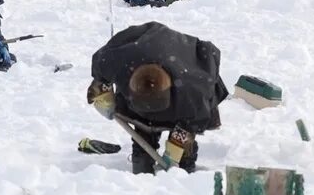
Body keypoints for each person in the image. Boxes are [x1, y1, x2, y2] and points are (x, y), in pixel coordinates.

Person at [88, 21, 228, 175]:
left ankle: (186, 168)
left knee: (184, 151)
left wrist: (175, 151)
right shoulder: (115, 61)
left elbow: (192, 123)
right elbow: (99, 67)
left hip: (186, 84)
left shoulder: (194, 92)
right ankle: (142, 161)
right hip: (143, 50)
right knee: (143, 131)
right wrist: (101, 92)